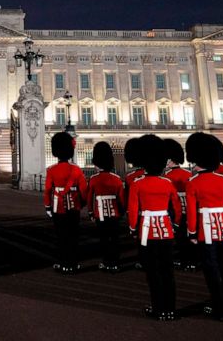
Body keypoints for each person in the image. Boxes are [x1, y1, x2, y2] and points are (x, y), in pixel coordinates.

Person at [185, 133, 223, 321]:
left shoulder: (193, 182)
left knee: (211, 269)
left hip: (204, 231)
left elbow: (192, 211)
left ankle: (219, 307)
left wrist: (192, 232)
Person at [127, 135, 181, 320]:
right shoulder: (167, 183)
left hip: (146, 231)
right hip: (166, 230)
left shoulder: (137, 183)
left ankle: (158, 307)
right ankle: (170, 308)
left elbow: (133, 210)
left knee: (153, 272)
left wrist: (133, 228)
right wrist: (174, 224)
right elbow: (177, 208)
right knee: (167, 270)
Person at [43, 131, 86, 273]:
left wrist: (48, 206)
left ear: (56, 152)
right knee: (73, 235)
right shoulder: (76, 169)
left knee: (60, 236)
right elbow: (83, 190)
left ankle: (63, 263)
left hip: (57, 206)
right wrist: (82, 203)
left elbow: (48, 190)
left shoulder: (51, 170)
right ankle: (73, 263)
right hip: (74, 206)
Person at [85, 141, 124, 272]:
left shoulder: (94, 179)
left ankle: (107, 261)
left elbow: (89, 197)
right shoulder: (117, 178)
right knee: (114, 238)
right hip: (115, 213)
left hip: (99, 213)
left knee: (104, 239)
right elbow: (121, 198)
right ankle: (115, 262)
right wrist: (122, 210)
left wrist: (90, 212)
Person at [163, 139, 194, 270]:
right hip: (189, 207)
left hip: (175, 209)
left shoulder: (167, 176)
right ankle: (192, 261)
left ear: (170, 160)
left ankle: (184, 260)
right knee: (190, 235)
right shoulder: (189, 174)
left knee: (180, 237)